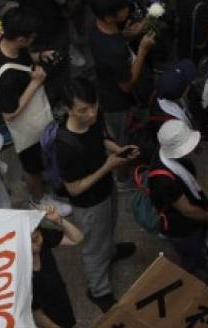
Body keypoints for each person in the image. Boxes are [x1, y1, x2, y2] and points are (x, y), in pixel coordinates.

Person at [56, 79, 136, 312]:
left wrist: (117, 150)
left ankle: (110, 252)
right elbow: (74, 189)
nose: (91, 114)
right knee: (92, 246)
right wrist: (108, 167)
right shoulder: (66, 146)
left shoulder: (93, 118)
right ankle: (98, 290)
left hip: (105, 188)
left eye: (94, 106)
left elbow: (100, 138)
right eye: (83, 110)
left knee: (109, 226)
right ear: (69, 109)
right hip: (88, 203)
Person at [0, 7, 69, 215]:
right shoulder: (5, 77)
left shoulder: (11, 46)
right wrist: (35, 83)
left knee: (40, 157)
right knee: (31, 165)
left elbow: (24, 59)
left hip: (36, 113)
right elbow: (9, 113)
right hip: (26, 128)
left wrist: (39, 55)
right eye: (31, 38)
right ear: (19, 38)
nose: (33, 40)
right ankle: (38, 199)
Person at [87, 0, 155, 169]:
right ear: (109, 18)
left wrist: (127, 35)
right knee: (122, 143)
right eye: (122, 8)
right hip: (118, 104)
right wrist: (142, 50)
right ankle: (124, 178)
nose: (127, 9)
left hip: (105, 86)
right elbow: (127, 85)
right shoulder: (115, 50)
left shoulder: (95, 24)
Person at [149, 120, 208, 273]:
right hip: (181, 228)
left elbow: (195, 180)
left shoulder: (173, 157)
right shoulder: (163, 181)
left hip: (195, 216)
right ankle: (197, 274)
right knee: (192, 257)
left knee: (198, 247)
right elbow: (187, 210)